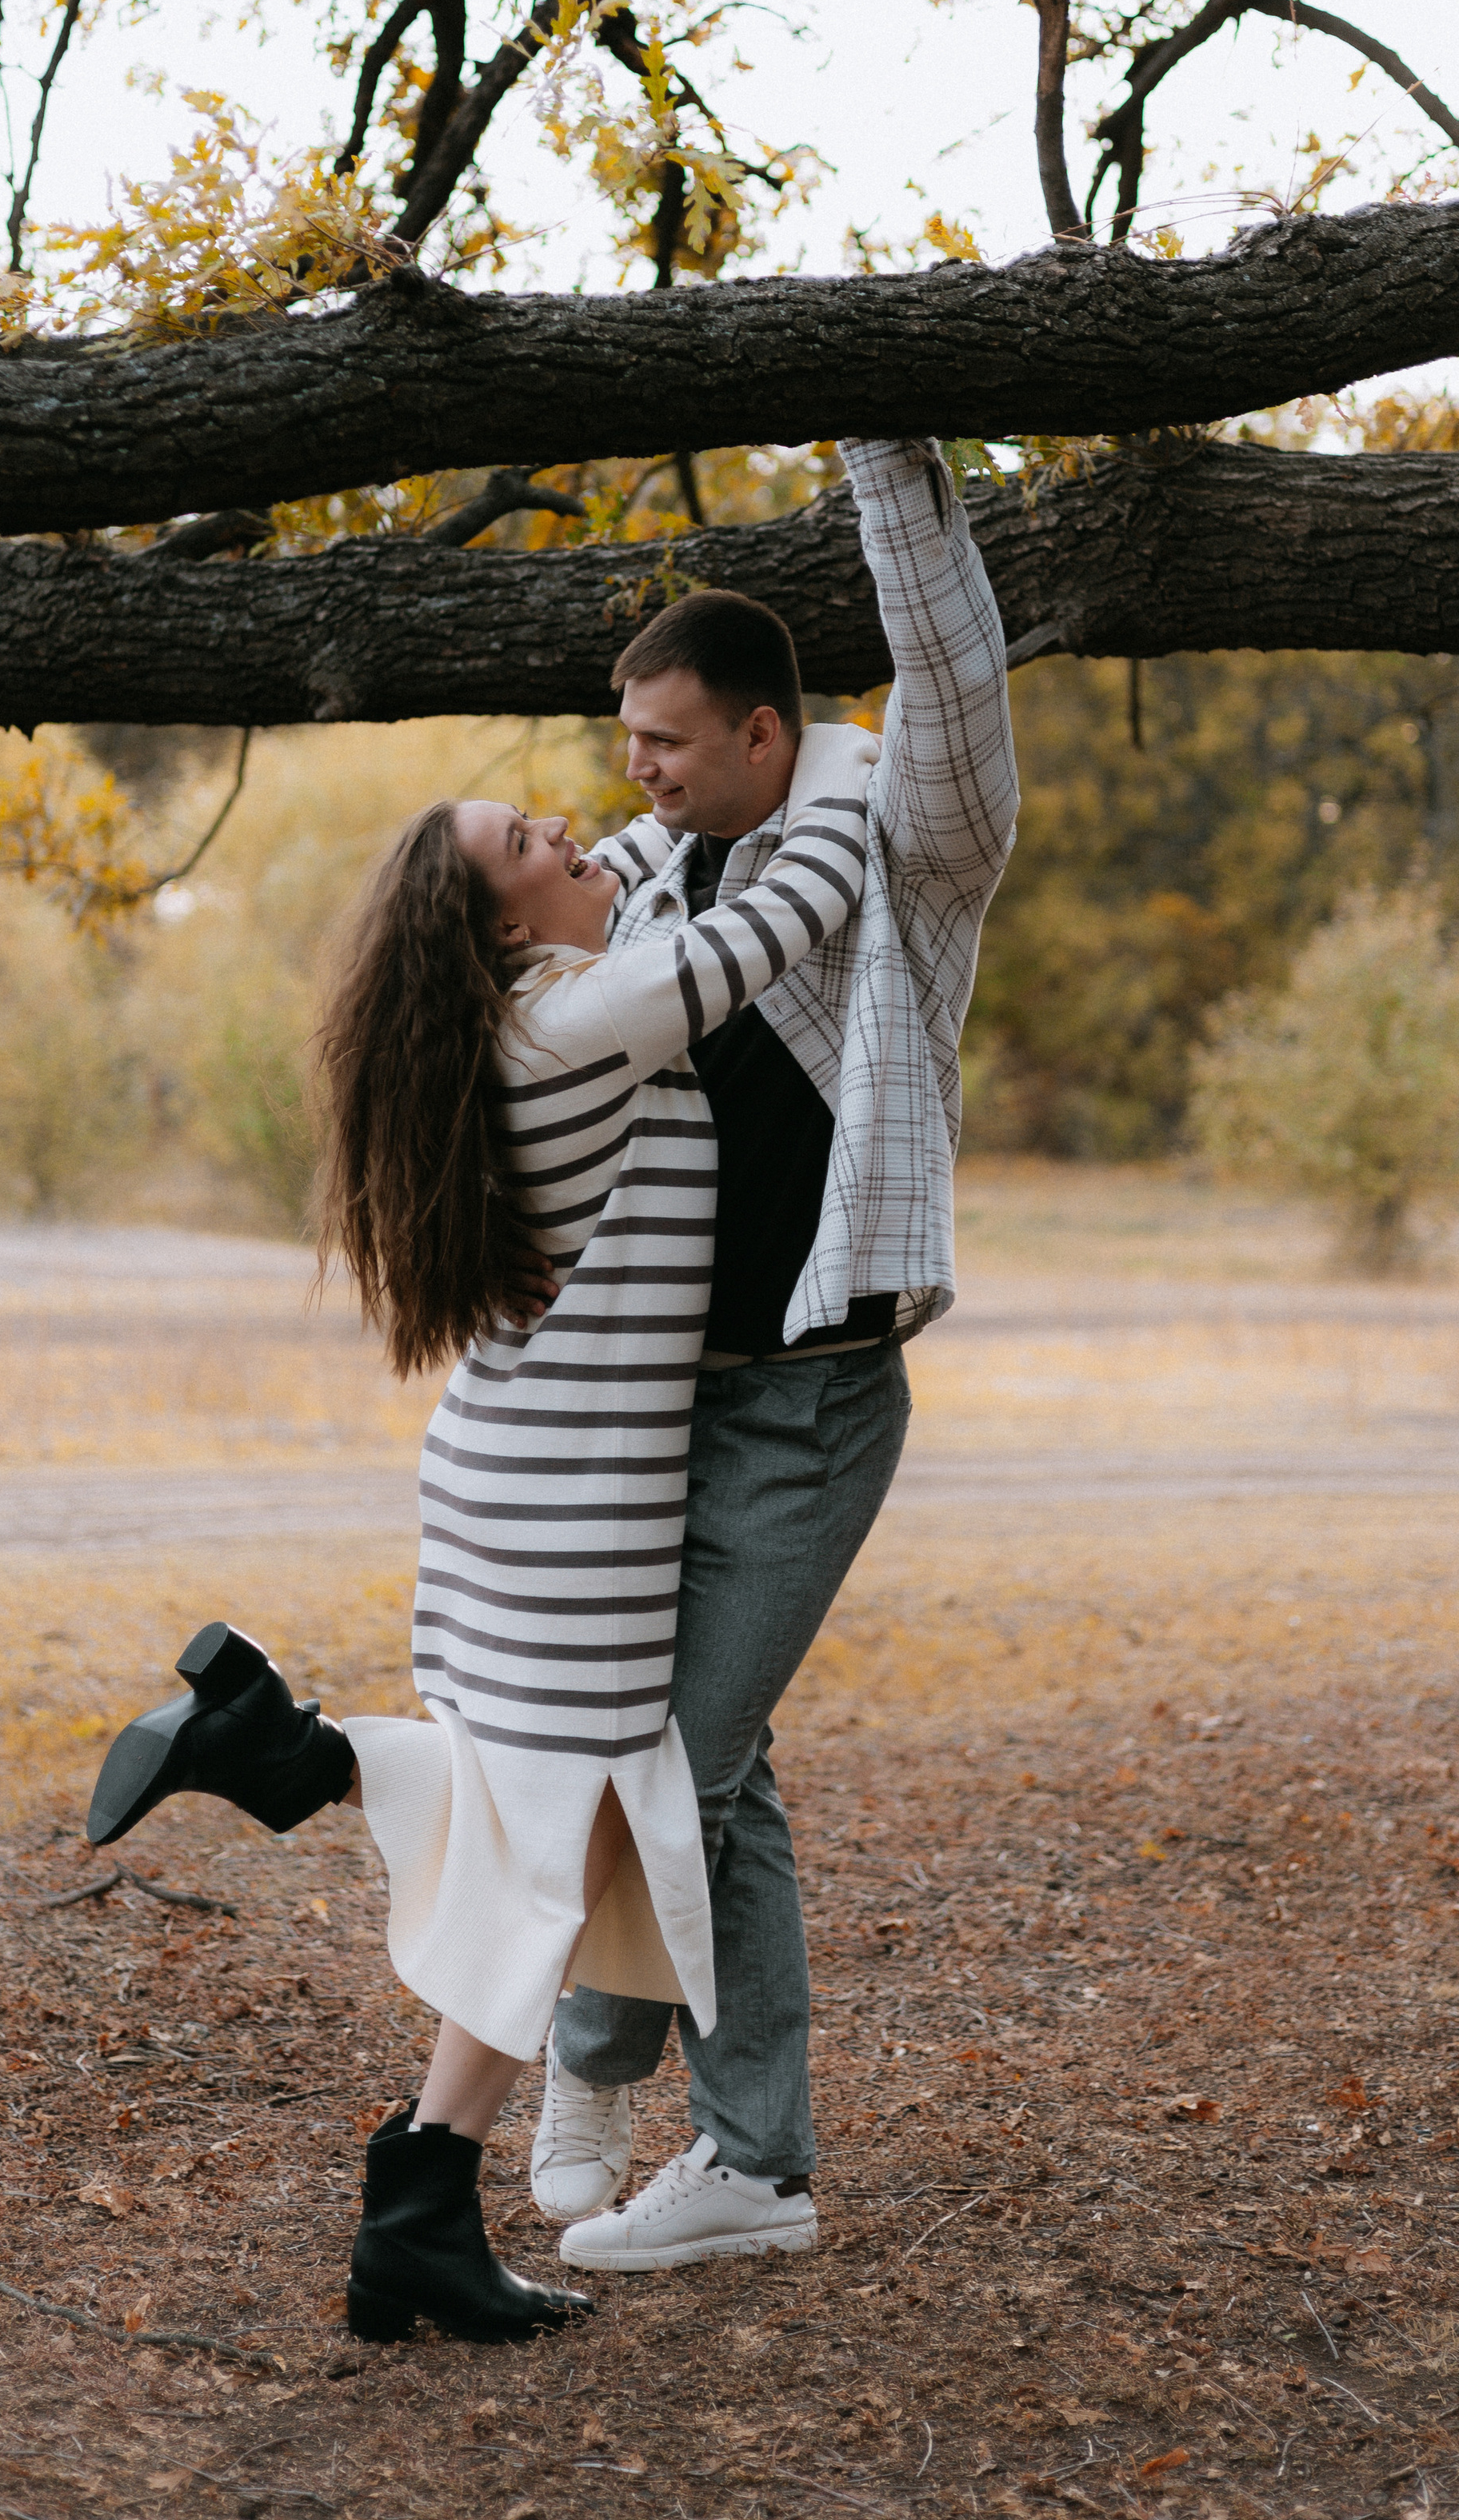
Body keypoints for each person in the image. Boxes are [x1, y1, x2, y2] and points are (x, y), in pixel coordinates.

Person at [81, 717, 877, 2344]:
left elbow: (642, 871)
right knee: (557, 1865)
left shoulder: (530, 1014)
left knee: (552, 1851)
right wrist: (847, 767)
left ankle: (297, 1770)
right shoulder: (581, 1023)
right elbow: (784, 916)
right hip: (569, 1519)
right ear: (506, 926)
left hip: (521, 1493)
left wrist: (644, 828)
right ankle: (415, 2181)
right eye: (533, 839)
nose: (580, 828)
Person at [529, 431, 1017, 2274]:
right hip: (672, 1403)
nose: (631, 772)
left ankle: (709, 2137)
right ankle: (710, 2130)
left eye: (663, 739)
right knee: (697, 1764)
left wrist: (882, 448)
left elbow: (952, 698)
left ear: (761, 735)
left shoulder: (901, 854)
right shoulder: (655, 885)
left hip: (812, 1395)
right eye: (627, 738)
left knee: (679, 1757)